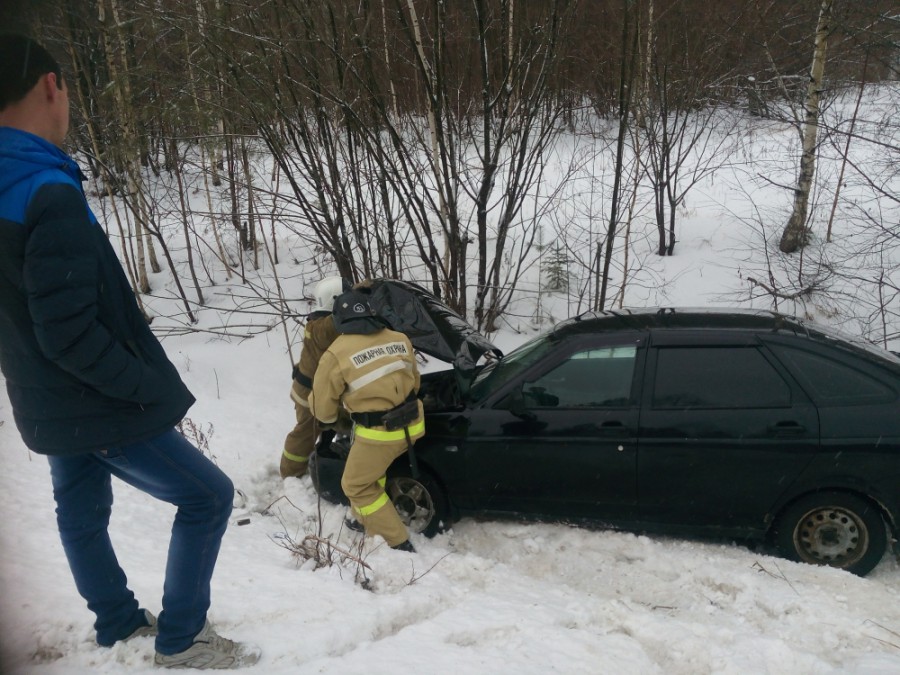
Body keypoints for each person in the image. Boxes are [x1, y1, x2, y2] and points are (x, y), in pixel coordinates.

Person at [0, 34, 258, 669]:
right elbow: (69, 332)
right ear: (51, 87)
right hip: (97, 400)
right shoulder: (44, 189)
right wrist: (142, 385)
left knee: (80, 510)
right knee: (208, 496)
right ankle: (181, 640)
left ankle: (116, 623)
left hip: (47, 402)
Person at [309, 289, 425, 552]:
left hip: (379, 434)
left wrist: (335, 417)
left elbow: (321, 409)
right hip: (413, 423)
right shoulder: (400, 338)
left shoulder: (335, 353)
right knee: (373, 471)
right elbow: (415, 382)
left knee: (356, 485)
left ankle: (397, 541)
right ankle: (366, 518)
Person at [279, 276, 348, 479]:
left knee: (328, 420)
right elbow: (334, 326)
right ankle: (291, 473)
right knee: (306, 432)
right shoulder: (321, 327)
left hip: (320, 392)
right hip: (309, 395)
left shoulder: (322, 322)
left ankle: (324, 450)